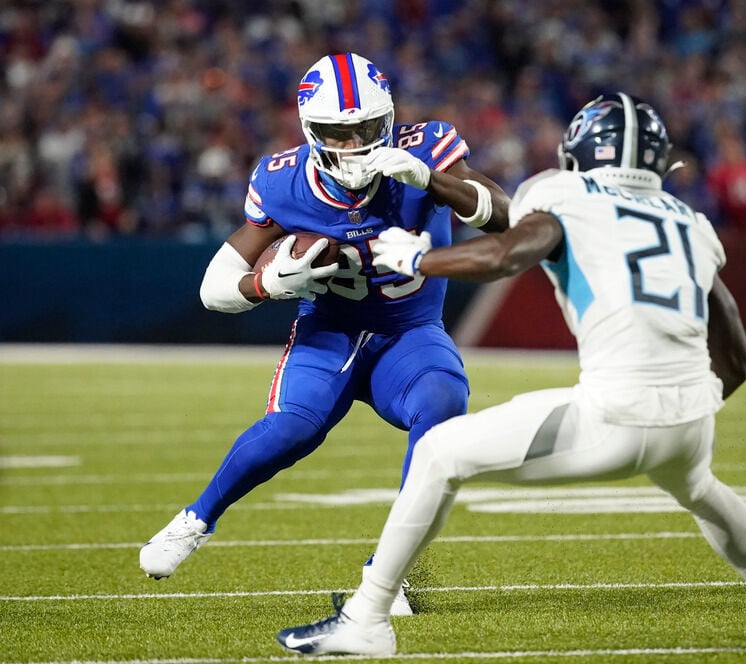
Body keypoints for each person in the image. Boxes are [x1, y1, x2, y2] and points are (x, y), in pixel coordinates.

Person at [276, 92, 746, 655]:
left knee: (438, 454)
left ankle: (367, 619)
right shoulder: (689, 221)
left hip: (612, 416)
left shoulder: (565, 192)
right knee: (702, 489)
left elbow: (502, 255)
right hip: (691, 419)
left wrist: (416, 259)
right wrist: (691, 405)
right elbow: (735, 352)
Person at [137, 52, 511, 617]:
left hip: (409, 333)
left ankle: (387, 573)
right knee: (292, 428)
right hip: (329, 331)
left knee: (444, 404)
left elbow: (504, 215)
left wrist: (428, 178)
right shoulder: (283, 181)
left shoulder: (425, 147)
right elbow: (214, 287)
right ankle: (196, 518)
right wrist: (268, 283)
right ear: (312, 131)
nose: (355, 143)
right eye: (340, 132)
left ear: (387, 118)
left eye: (365, 128)